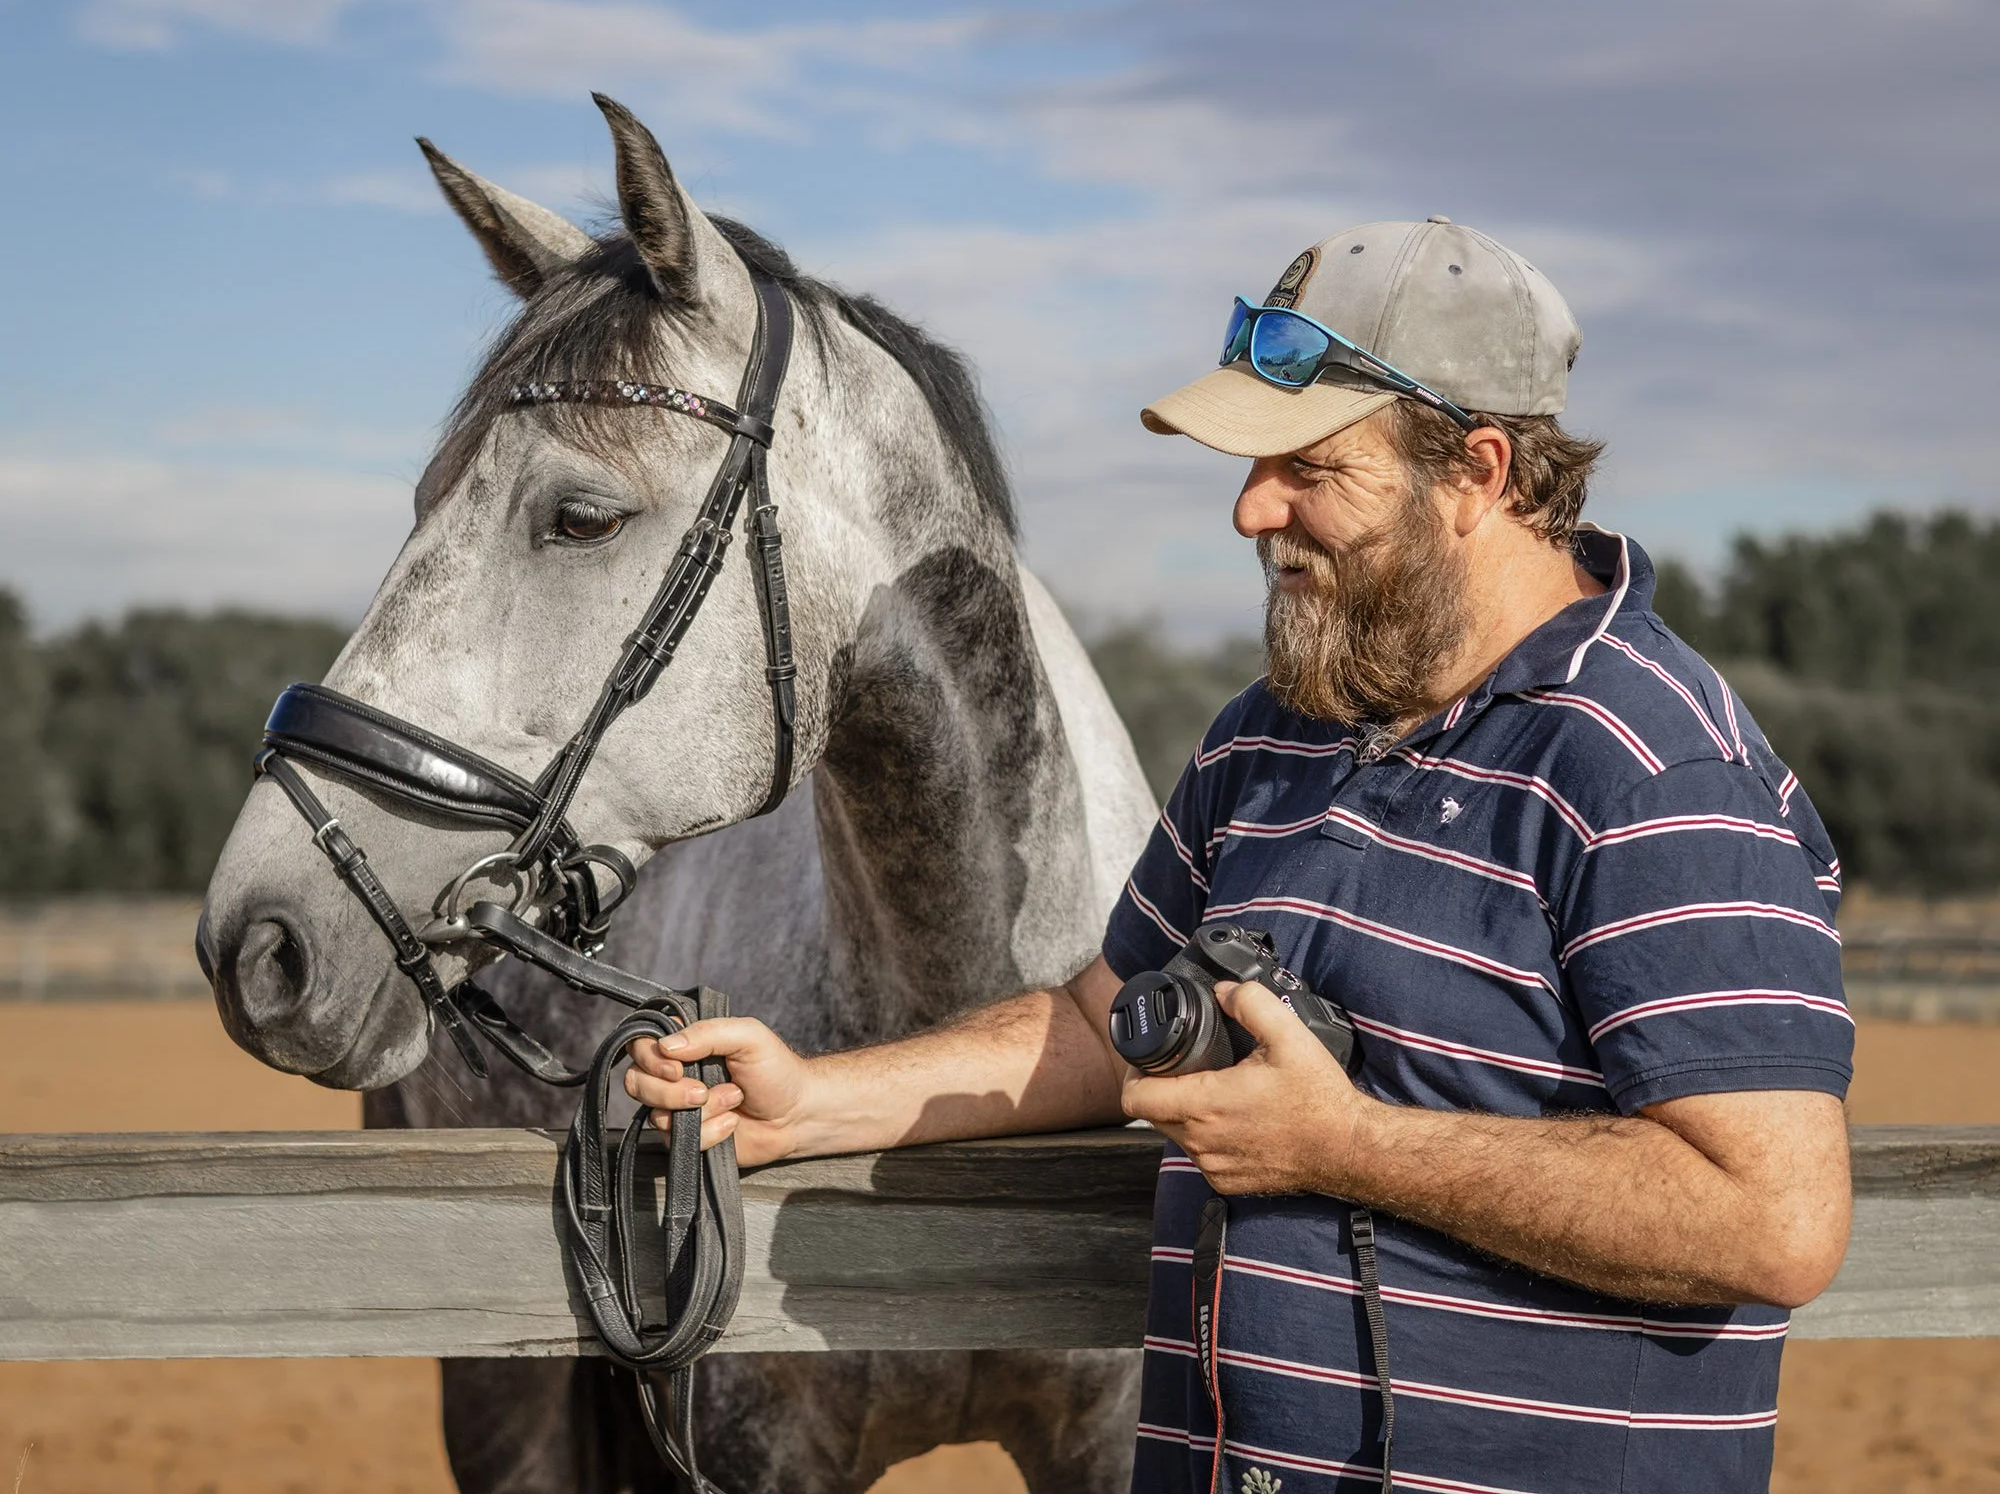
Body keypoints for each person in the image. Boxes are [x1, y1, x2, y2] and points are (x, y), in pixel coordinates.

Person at [625, 217, 1854, 1493]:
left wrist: (1342, 1145)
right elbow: (1108, 1024)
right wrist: (822, 1099)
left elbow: (1772, 1220)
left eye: (1306, 467)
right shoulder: (1274, 732)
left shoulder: (1651, 769)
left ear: (1476, 472)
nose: (1250, 508)